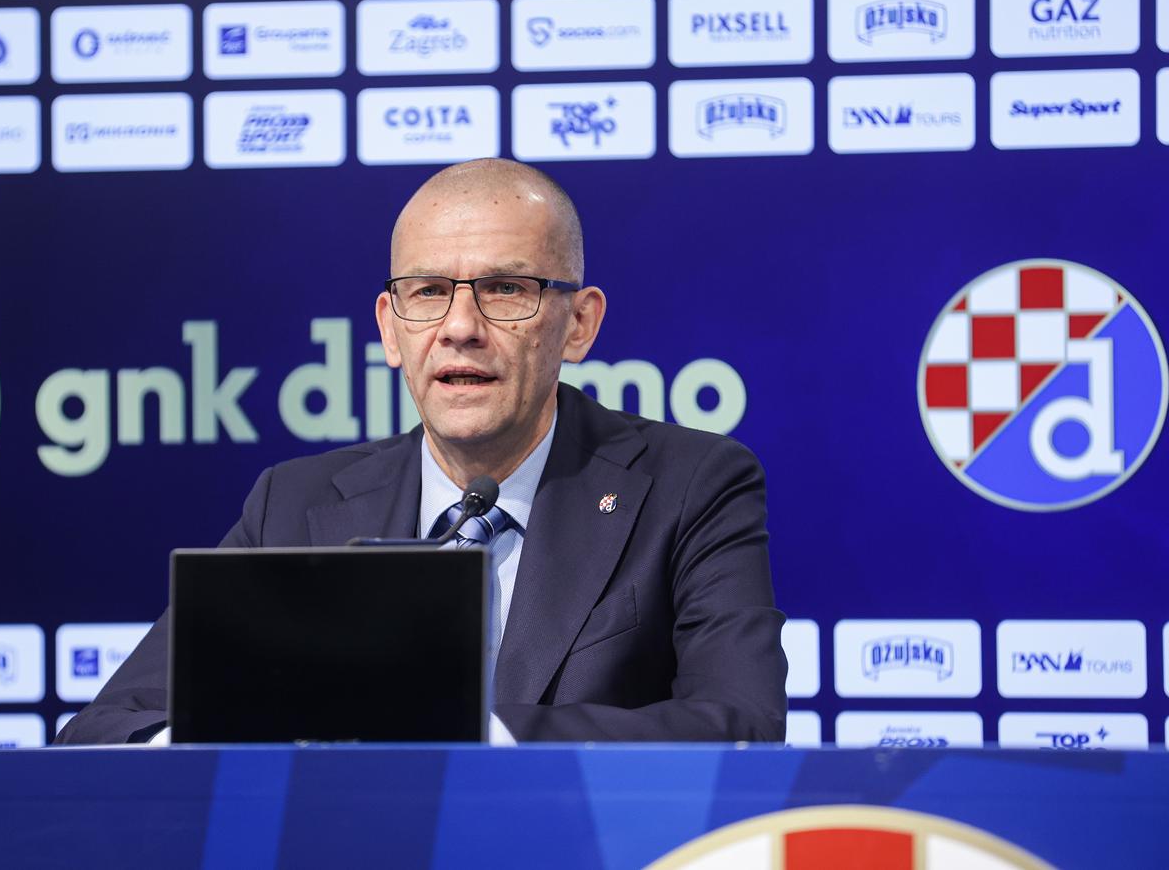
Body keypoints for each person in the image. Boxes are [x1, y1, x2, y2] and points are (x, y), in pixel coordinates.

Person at [57, 159, 786, 744]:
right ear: (389, 327)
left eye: (505, 289)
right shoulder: (295, 501)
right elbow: (103, 730)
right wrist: (211, 738)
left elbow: (741, 723)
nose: (460, 326)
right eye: (429, 291)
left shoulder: (691, 486)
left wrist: (463, 731)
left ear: (579, 324)